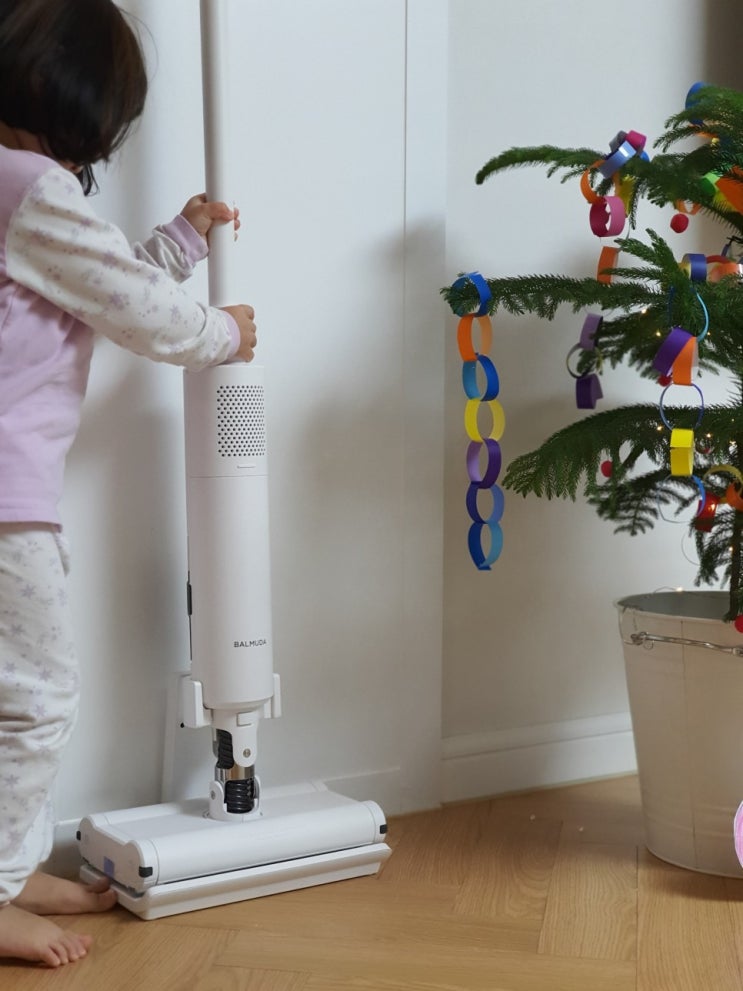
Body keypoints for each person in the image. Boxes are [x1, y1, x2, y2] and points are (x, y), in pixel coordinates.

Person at [0, 0, 258, 967]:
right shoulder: (26, 184)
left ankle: (15, 864)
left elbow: (96, 291)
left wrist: (182, 242)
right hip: (7, 503)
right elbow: (136, 311)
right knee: (38, 700)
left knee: (16, 695)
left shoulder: (18, 199)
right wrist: (222, 333)